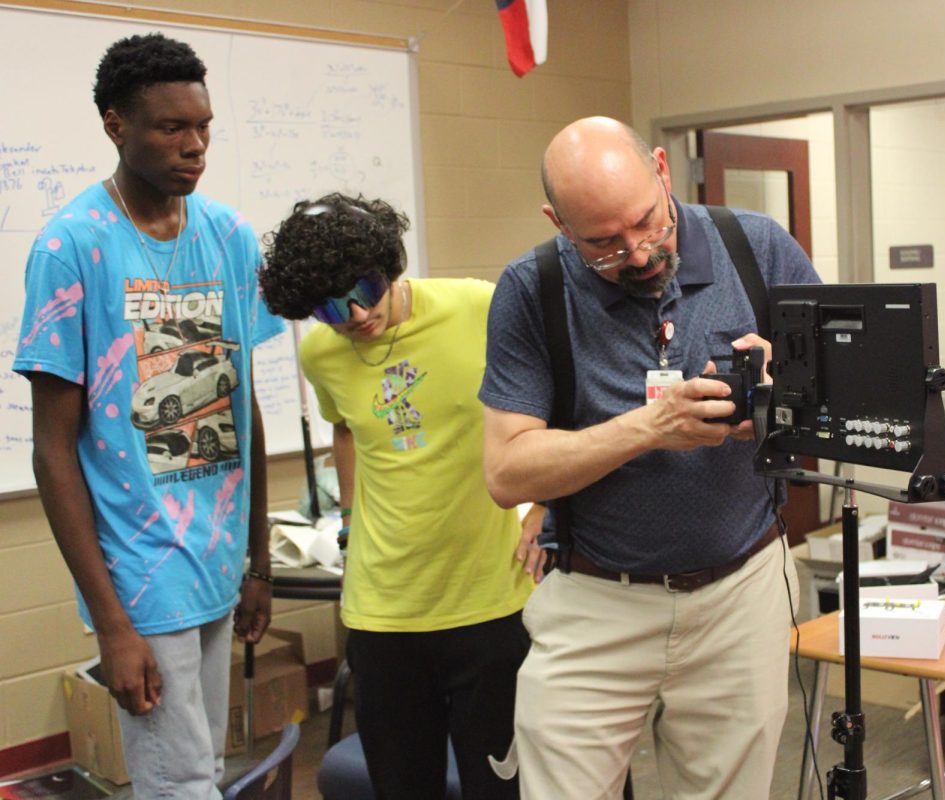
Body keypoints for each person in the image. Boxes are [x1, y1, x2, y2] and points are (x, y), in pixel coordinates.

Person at [478, 116, 822, 799]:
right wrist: (649, 427)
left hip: (740, 587)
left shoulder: (756, 248)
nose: (636, 253)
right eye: (603, 244)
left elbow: (831, 405)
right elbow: (507, 472)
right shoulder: (532, 288)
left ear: (663, 171)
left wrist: (776, 407)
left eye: (649, 224)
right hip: (597, 598)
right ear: (559, 222)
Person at [13, 33, 284, 799]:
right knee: (181, 781)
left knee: (206, 766)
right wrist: (112, 623)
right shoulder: (73, 246)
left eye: (203, 126)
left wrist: (256, 559)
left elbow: (243, 399)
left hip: (219, 557)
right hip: (139, 568)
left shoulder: (228, 235)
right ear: (115, 125)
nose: (195, 146)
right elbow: (52, 450)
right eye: (172, 128)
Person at [258, 193, 535, 800]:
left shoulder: (480, 307)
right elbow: (344, 428)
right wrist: (353, 517)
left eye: (366, 287)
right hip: (382, 613)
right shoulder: (320, 354)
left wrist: (545, 507)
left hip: (487, 603)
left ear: (390, 263)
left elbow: (556, 404)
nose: (356, 314)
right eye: (330, 307)